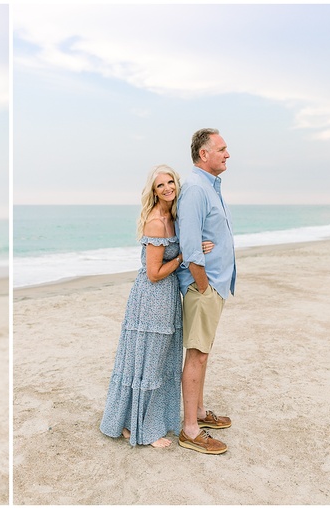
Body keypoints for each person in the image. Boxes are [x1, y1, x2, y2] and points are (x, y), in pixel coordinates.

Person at [100, 165, 213, 448]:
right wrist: (184, 256)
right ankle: (138, 429)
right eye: (160, 185)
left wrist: (196, 247)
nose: (168, 188)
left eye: (171, 182)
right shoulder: (156, 223)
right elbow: (153, 273)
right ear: (153, 191)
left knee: (158, 363)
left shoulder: (173, 218)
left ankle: (135, 421)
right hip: (152, 299)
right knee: (148, 363)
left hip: (166, 298)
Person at [176, 128, 236, 455]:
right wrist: (203, 285)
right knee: (197, 354)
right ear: (204, 154)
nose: (227, 154)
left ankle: (199, 413)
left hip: (214, 285)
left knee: (204, 351)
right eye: (222, 149)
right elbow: (190, 244)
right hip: (204, 288)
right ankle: (189, 429)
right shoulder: (196, 189)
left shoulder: (210, 186)